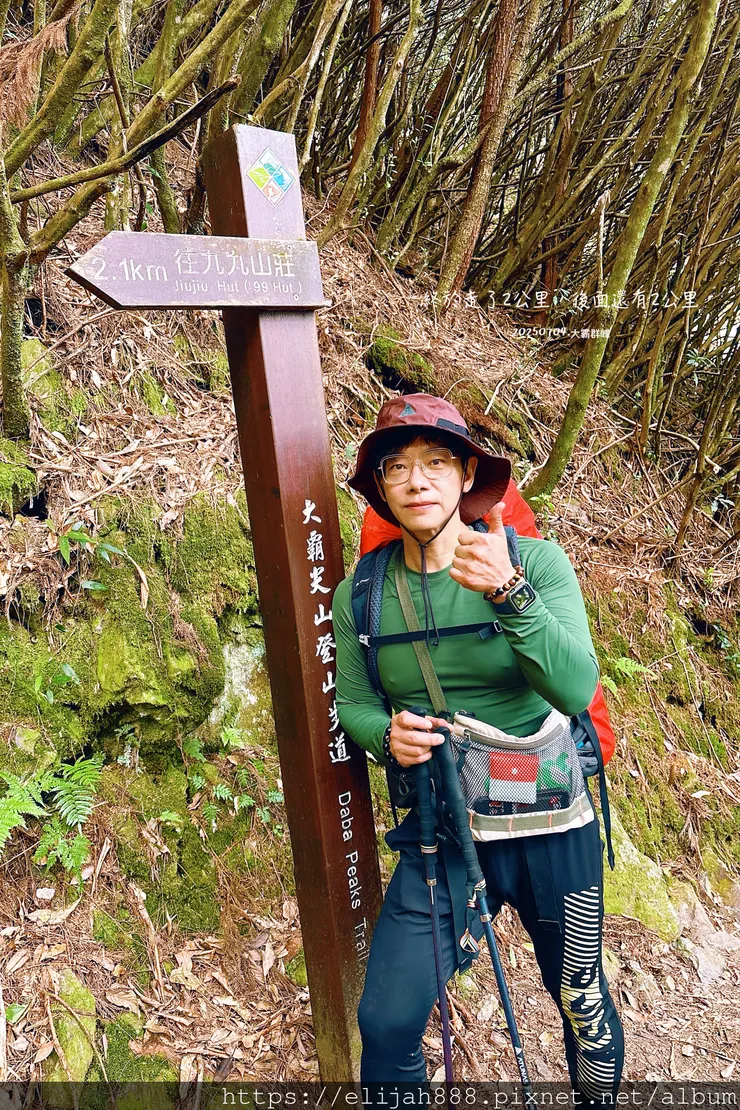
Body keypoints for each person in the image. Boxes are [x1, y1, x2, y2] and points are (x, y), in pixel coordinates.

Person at [332, 393, 624, 1100]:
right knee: (387, 1020)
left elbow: (576, 682)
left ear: (468, 476)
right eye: (396, 467)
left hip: (552, 823)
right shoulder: (362, 596)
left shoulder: (536, 562)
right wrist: (385, 737)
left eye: (437, 462)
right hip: (441, 834)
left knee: (580, 1000)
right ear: (380, 490)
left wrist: (511, 592)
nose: (417, 480)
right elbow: (357, 706)